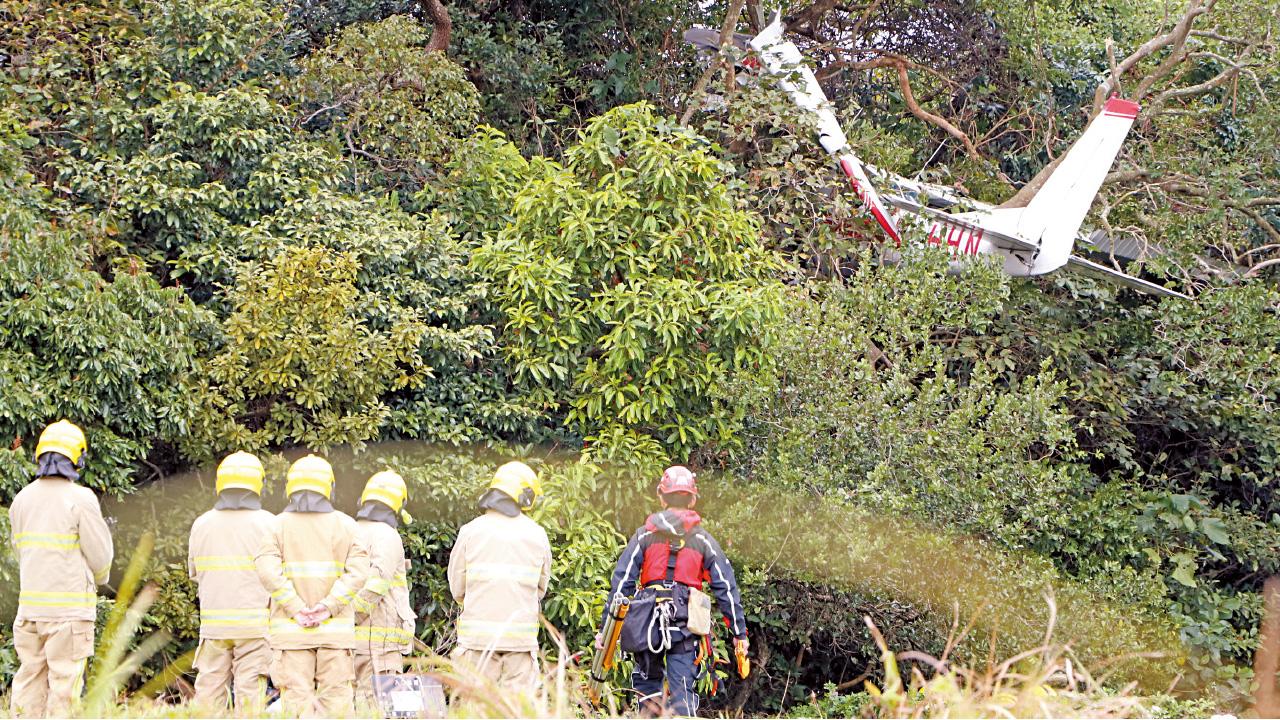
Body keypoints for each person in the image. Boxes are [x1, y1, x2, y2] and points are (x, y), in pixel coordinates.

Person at [600, 465, 748, 717]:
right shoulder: (703, 541)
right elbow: (726, 587)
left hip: (646, 624)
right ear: (692, 498)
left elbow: (622, 584)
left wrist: (606, 631)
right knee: (683, 695)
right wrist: (739, 634)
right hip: (685, 625)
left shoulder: (644, 536)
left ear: (661, 496)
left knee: (647, 690)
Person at [8, 420, 114, 718]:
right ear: (76, 458)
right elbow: (101, 556)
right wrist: (100, 579)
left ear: (40, 456)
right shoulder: (80, 498)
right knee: (64, 687)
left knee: (29, 680)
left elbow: (21, 551)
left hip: (29, 611)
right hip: (68, 614)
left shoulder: (22, 500)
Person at [255, 454, 370, 717]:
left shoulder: (276, 526)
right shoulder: (347, 526)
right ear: (329, 487)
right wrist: (328, 608)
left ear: (290, 487)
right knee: (338, 703)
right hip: (335, 635)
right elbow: (359, 572)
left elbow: (267, 571)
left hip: (292, 634)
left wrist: (296, 608)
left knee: (295, 704)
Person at [447, 461, 551, 692]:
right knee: (517, 712)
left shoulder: (471, 531)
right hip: (520, 646)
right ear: (525, 495)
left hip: (476, 645)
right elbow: (540, 589)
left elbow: (457, 588)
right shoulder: (537, 534)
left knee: (475, 711)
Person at [186, 451, 276, 712]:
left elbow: (195, 572)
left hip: (214, 628)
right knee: (250, 697)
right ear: (258, 483)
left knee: (209, 694)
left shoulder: (201, 524)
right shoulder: (270, 524)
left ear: (220, 483)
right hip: (255, 628)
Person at [350, 470, 416, 706]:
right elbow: (376, 584)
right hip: (379, 646)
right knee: (378, 708)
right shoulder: (388, 536)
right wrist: (352, 616)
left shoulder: (350, 529)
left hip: (352, 642)